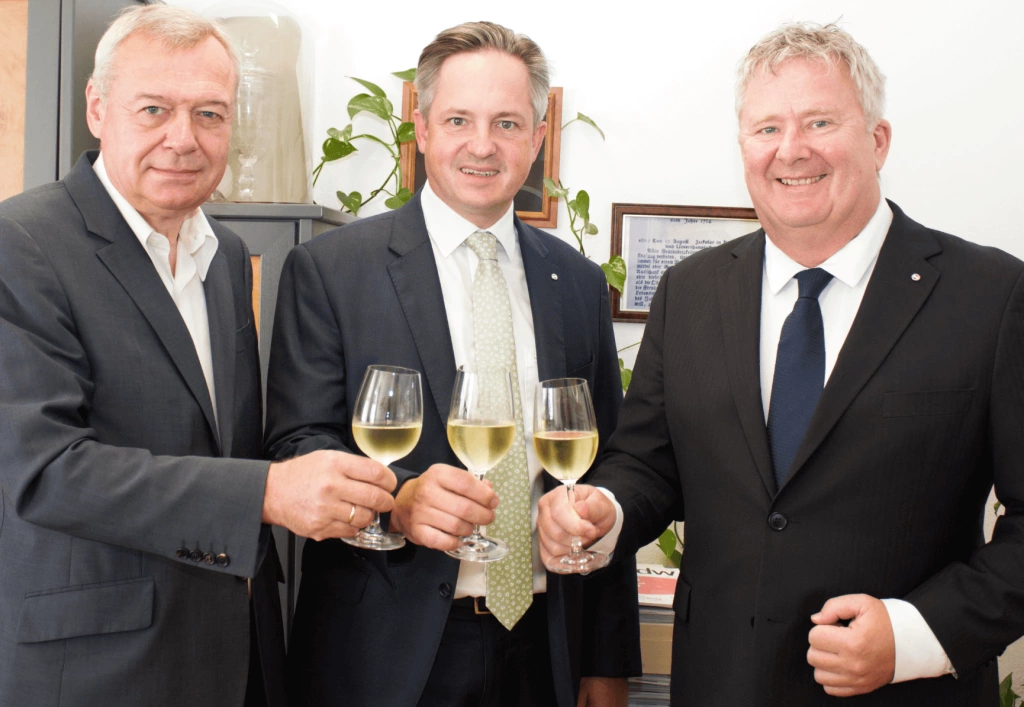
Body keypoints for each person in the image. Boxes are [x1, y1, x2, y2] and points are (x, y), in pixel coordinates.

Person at [537, 21, 1024, 706]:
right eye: (766, 129)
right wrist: (604, 509)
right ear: (743, 147)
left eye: (819, 121)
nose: (790, 150)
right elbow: (646, 462)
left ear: (877, 140)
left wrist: (915, 633)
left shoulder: (991, 295)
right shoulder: (691, 290)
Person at [0, 6, 397, 707]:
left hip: (234, 656)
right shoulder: (21, 244)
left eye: (209, 114)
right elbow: (45, 470)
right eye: (154, 109)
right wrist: (269, 492)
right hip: (97, 671)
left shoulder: (227, 258)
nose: (182, 139)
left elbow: (224, 445)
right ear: (98, 108)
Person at [264, 21, 641, 707]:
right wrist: (398, 500)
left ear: (536, 136)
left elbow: (605, 467)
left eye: (506, 123)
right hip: (384, 653)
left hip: (543, 647)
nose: (482, 144)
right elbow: (298, 443)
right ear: (422, 127)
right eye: (459, 119)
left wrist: (604, 662)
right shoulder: (330, 270)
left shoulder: (579, 283)